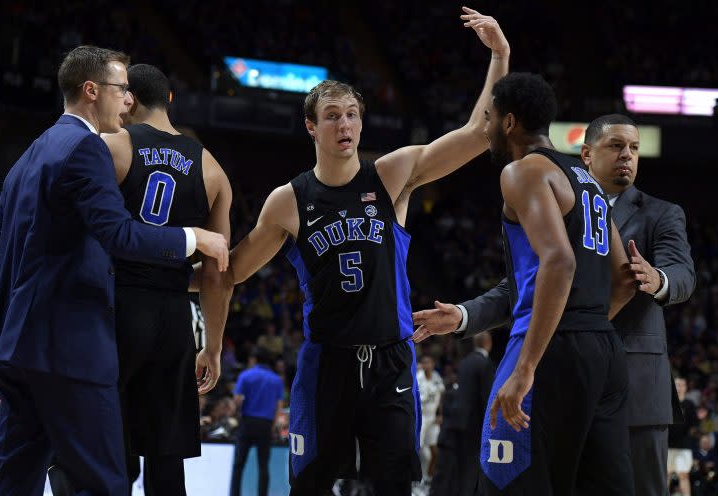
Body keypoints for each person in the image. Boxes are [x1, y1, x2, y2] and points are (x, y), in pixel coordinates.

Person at [198, 8, 511, 495]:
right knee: (310, 486)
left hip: (391, 361)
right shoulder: (288, 200)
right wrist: (193, 306)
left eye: (352, 115)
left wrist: (499, 55)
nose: (344, 124)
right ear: (311, 127)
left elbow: (478, 133)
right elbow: (232, 270)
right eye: (332, 116)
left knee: (392, 486)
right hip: (327, 364)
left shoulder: (392, 174)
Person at [0, 46, 228, 496]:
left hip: (18, 351)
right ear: (92, 91)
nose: (126, 101)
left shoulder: (29, 154)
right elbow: (117, 233)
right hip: (73, 349)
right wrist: (194, 238)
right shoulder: (87, 148)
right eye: (120, 90)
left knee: (14, 481)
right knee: (105, 483)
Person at [412, 113, 696, 495]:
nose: (627, 155)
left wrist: (658, 278)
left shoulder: (661, 213)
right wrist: (465, 315)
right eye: (615, 146)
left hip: (633, 381)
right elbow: (525, 287)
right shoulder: (560, 194)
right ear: (587, 154)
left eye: (633, 148)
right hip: (564, 371)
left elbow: (683, 273)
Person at [101, 63, 233, 495]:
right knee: (166, 457)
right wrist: (211, 347)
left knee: (109, 447)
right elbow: (217, 273)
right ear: (170, 100)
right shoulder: (213, 169)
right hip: (176, 316)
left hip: (117, 307)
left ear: (130, 99)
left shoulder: (113, 145)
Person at [430, 332, 495, 496]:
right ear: (488, 343)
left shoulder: (464, 362)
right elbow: (486, 399)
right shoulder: (485, 364)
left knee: (449, 469)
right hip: (472, 426)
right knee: (469, 470)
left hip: (454, 424)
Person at [230, 347, 285, 496]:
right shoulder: (276, 380)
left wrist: (236, 414)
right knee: (263, 465)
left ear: (254, 359)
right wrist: (273, 425)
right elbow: (279, 406)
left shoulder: (246, 375)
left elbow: (237, 399)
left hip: (247, 422)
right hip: (265, 424)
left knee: (238, 464)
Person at [416, 355, 445, 488]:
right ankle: (415, 482)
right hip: (421, 417)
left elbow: (441, 395)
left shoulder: (437, 377)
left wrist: (440, 414)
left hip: (433, 418)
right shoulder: (418, 377)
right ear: (421, 364)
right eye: (425, 362)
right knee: (420, 451)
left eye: (430, 362)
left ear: (433, 364)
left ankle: (428, 480)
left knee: (435, 452)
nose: (428, 365)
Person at [668, 377, 698, 496]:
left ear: (685, 387)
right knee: (665, 474)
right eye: (676, 385)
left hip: (684, 445)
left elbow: (694, 426)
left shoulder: (690, 404)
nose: (679, 387)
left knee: (684, 475)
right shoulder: (667, 402)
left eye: (681, 385)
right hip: (667, 445)